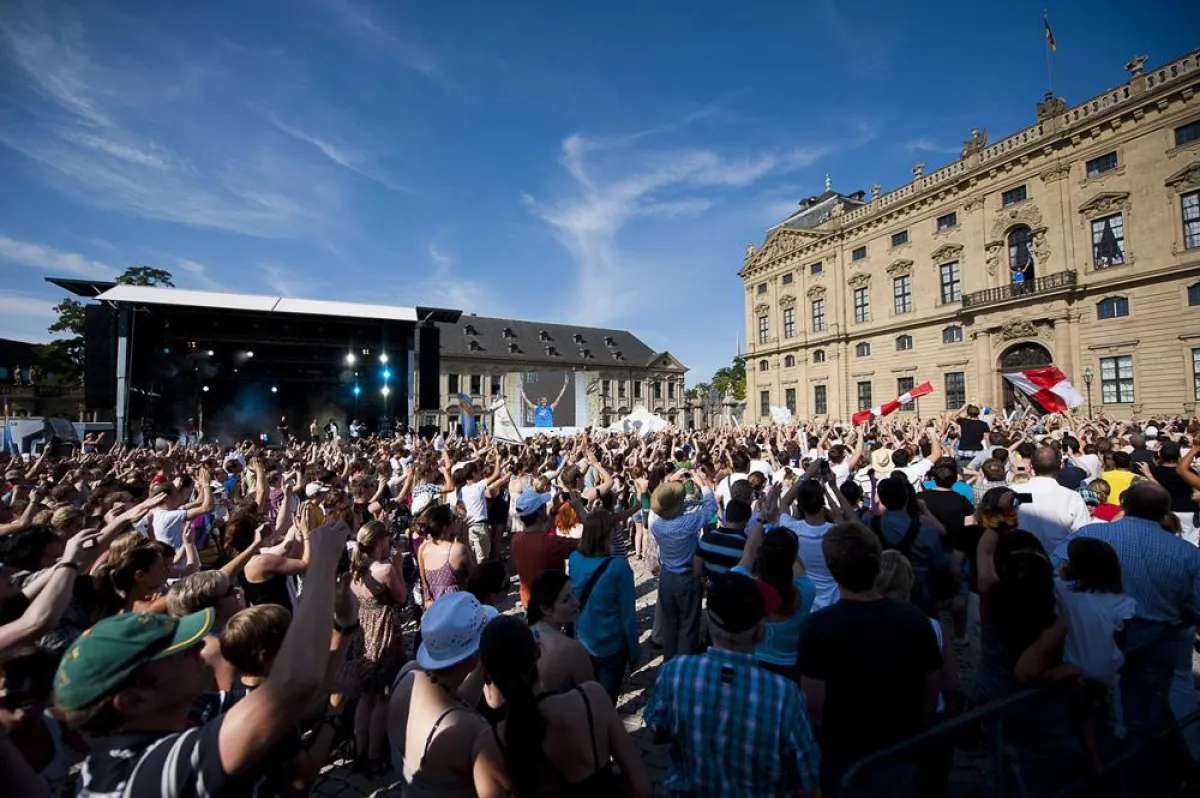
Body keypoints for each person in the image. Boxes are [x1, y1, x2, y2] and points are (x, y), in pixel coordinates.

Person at [53, 515, 352, 798]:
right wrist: (323, 562)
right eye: (178, 651)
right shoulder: (139, 776)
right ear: (135, 699)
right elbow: (293, 685)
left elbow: (286, 704)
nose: (198, 647)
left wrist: (343, 630)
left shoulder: (189, 708)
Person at [1051, 483, 1200, 756]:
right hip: (1155, 636)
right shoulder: (1187, 553)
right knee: (1145, 710)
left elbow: (1053, 571)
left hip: (1097, 635)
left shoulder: (1092, 533)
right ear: (1166, 511)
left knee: (1099, 704)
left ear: (1124, 504)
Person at [799, 522, 943, 798]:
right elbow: (931, 693)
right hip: (900, 746)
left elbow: (814, 707)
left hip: (844, 753)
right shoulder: (914, 619)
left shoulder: (820, 626)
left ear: (832, 570)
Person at [644, 571, 819, 797]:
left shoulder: (675, 673)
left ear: (710, 622)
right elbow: (807, 775)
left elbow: (657, 726)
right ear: (759, 632)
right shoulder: (784, 696)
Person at [471, 616, 652, 798]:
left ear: (489, 677)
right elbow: (641, 788)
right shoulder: (592, 700)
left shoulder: (489, 749)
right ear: (538, 653)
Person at [387, 592, 497, 797]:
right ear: (474, 653)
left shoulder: (408, 673)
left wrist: (481, 665)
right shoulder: (468, 728)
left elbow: (456, 701)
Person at [350, 520, 408, 770]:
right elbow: (402, 596)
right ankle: (374, 755)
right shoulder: (384, 570)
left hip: (363, 632)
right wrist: (398, 566)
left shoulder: (354, 568)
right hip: (384, 631)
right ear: (378, 542)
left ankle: (359, 749)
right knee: (382, 697)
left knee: (366, 696)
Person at [570, 510, 640, 704]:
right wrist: (634, 650)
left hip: (583, 637)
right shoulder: (619, 567)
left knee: (586, 697)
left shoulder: (575, 558)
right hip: (611, 644)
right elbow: (628, 614)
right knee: (606, 702)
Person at [648, 469, 717, 661]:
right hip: (687, 576)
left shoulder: (656, 523)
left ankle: (669, 660)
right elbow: (711, 508)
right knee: (689, 622)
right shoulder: (688, 522)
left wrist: (671, 481)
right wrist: (702, 483)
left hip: (667, 575)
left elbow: (663, 502)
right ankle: (686, 662)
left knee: (670, 623)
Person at [731, 524, 816, 681]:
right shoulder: (807, 591)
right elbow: (795, 564)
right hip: (789, 672)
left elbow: (747, 556)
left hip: (750, 668)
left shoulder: (741, 585)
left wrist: (761, 521)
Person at [527, 569, 594, 692]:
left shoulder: (525, 635)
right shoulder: (572, 649)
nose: (576, 602)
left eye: (573, 594)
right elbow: (591, 697)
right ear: (546, 609)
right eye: (566, 599)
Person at [1017, 446, 1091, 553]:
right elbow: (1084, 535)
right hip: (1058, 562)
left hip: (1019, 561)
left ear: (1030, 465)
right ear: (1061, 466)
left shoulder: (1013, 493)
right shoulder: (1072, 497)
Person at [511, 489, 577, 608]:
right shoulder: (552, 543)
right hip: (552, 604)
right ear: (540, 512)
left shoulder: (516, 539)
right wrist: (579, 507)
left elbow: (537, 535)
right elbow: (588, 541)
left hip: (529, 601)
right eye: (544, 506)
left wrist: (552, 514)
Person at [414, 504, 472, 608]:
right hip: (457, 609)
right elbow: (474, 577)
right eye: (455, 519)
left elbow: (425, 585)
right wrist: (465, 540)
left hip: (435, 611)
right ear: (446, 527)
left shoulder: (423, 548)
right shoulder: (457, 549)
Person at [694, 497, 753, 578]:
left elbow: (697, 572)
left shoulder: (706, 538)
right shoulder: (747, 546)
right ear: (747, 520)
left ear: (726, 515)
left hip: (712, 588)